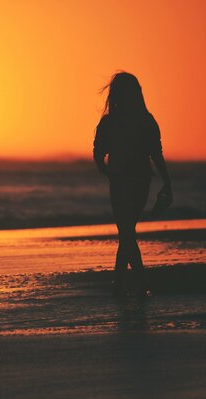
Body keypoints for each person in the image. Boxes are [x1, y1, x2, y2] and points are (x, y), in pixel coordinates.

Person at [93, 72, 172, 295]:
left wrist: (107, 172)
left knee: (126, 231)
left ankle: (134, 282)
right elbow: (157, 155)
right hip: (138, 181)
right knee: (127, 231)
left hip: (121, 182)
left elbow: (98, 153)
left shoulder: (111, 122)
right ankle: (125, 282)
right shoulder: (146, 120)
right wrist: (167, 183)